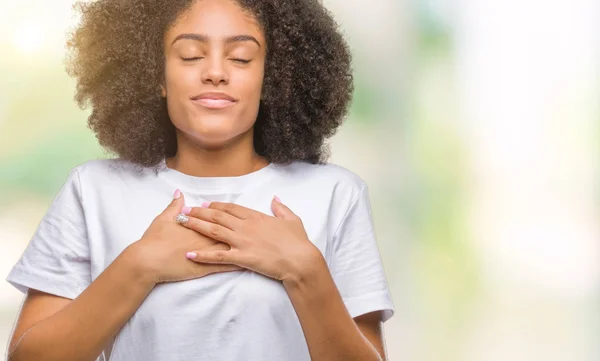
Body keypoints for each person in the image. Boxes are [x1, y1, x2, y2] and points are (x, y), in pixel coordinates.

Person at [5, 0, 395, 360]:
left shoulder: (335, 194)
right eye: (191, 55)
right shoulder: (93, 190)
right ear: (156, 75)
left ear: (272, 79)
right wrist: (140, 265)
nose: (215, 73)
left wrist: (304, 270)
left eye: (241, 58)